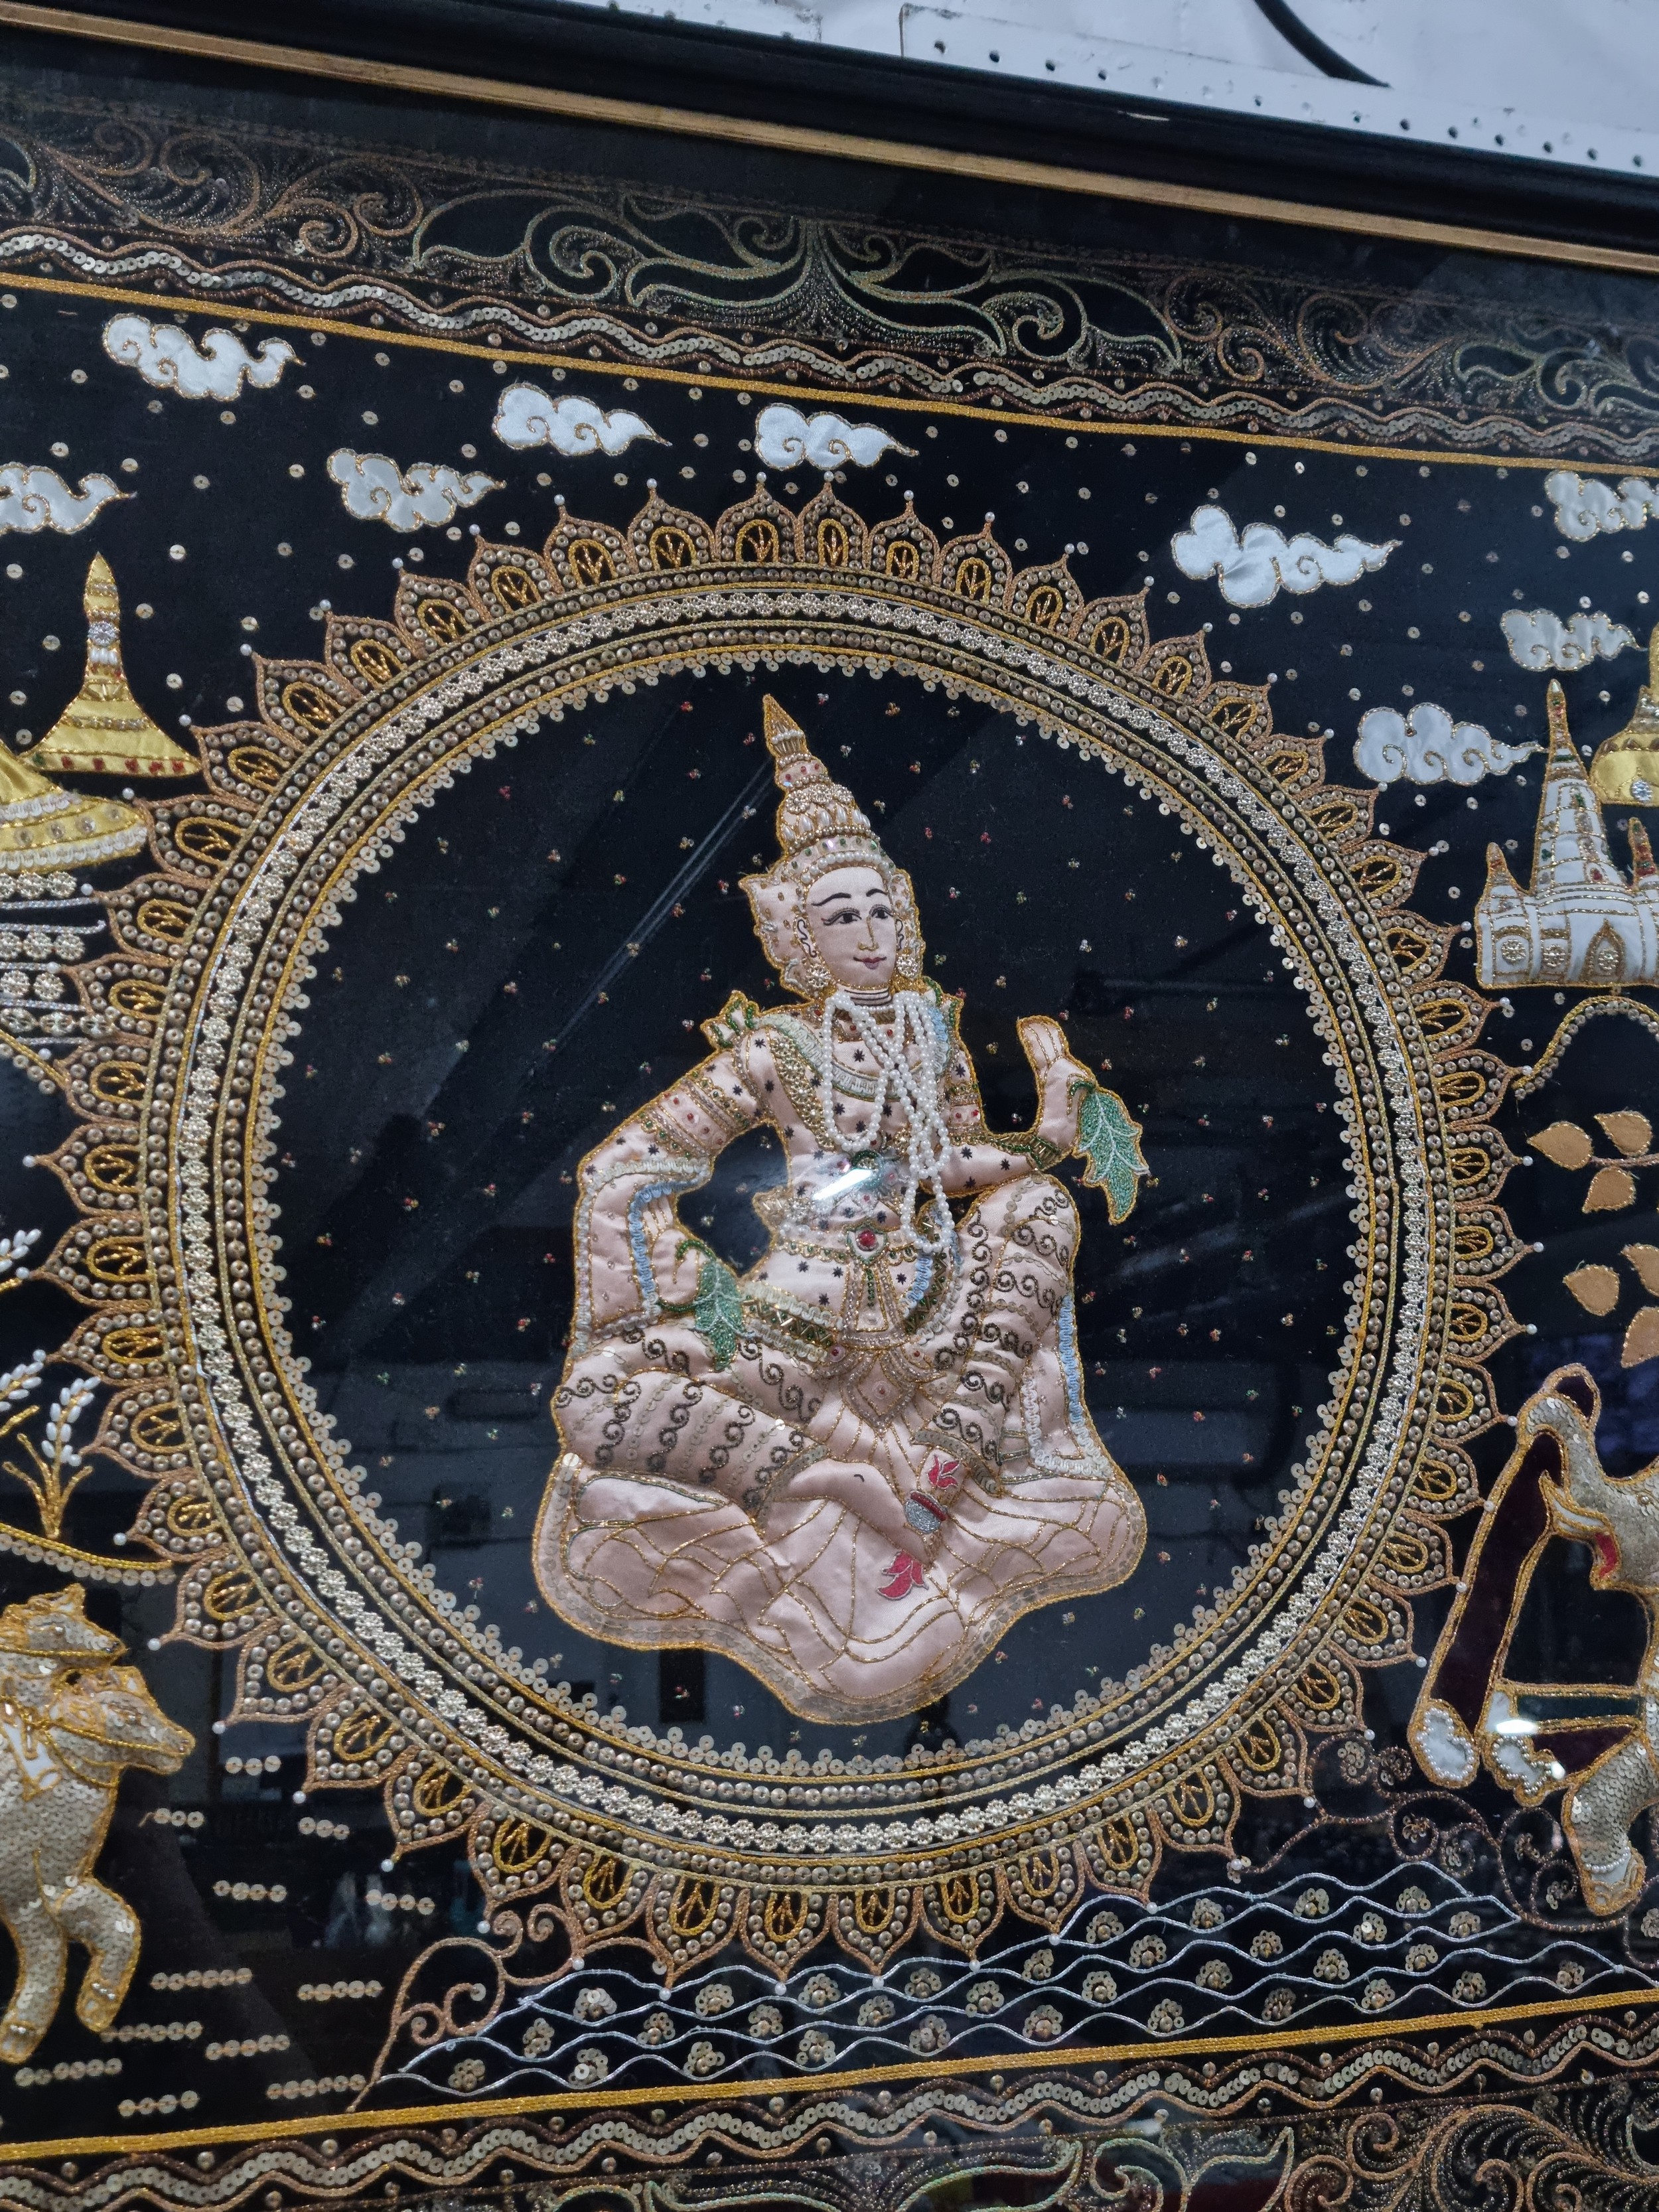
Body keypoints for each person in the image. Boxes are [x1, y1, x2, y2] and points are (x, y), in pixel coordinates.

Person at [535, 700, 1144, 1722]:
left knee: (1039, 1207)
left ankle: (940, 1471)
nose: (869, 933)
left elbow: (949, 1162)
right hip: (796, 1320)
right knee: (597, 1410)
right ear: (799, 936)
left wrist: (1045, 1137)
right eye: (841, 916)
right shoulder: (774, 1048)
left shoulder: (932, 1032)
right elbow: (626, 1161)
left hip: (932, 1305)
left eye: (879, 911)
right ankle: (822, 1477)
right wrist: (690, 1280)